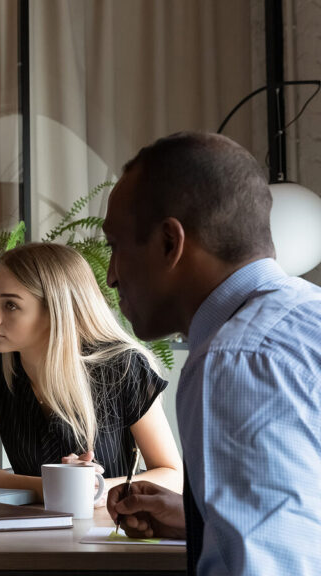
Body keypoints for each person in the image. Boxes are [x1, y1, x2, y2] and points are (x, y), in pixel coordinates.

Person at [102, 131, 321, 575]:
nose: (109, 276)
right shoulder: (305, 318)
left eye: (115, 246)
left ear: (169, 243)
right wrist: (199, 520)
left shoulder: (238, 361)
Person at [0, 243, 183, 502]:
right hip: (24, 530)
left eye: (10, 305)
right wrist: (61, 485)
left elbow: (172, 476)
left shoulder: (123, 366)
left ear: (55, 310)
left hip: (108, 530)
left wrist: (94, 489)